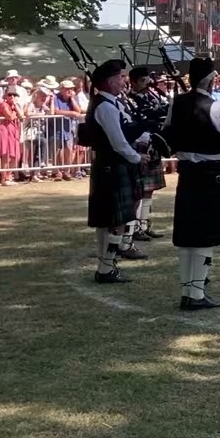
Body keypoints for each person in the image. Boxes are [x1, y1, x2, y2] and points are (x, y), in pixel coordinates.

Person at [163, 56, 220, 311]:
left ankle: (188, 290)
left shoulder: (176, 103)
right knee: (205, 235)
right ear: (210, 79)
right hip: (211, 174)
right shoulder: (216, 107)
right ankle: (197, 293)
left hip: (186, 173)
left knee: (188, 234)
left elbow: (167, 133)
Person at [82, 60, 148, 284]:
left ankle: (104, 267)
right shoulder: (106, 107)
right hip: (113, 167)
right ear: (110, 81)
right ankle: (107, 268)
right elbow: (118, 143)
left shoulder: (108, 103)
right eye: (120, 77)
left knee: (106, 222)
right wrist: (138, 157)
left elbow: (126, 131)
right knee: (114, 222)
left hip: (108, 167)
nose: (124, 81)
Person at [127, 67, 168, 241]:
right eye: (143, 81)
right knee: (138, 190)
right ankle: (134, 227)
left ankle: (143, 225)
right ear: (134, 82)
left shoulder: (153, 96)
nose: (146, 85)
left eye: (147, 81)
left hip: (154, 143)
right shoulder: (129, 100)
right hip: (139, 146)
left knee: (149, 190)